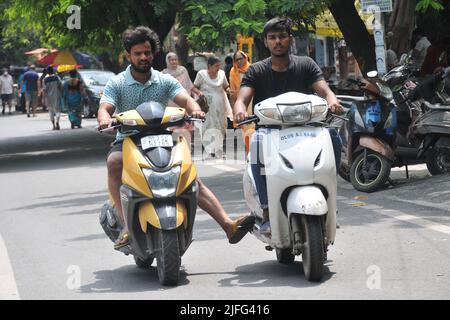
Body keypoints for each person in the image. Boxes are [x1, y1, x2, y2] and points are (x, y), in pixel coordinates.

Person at [97, 26, 254, 249]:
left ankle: (228, 225)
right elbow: (105, 107)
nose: (143, 57)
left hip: (162, 137)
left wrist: (195, 109)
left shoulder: (163, 80)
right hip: (128, 139)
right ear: (129, 55)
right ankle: (125, 227)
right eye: (138, 53)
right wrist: (104, 117)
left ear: (153, 53)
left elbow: (185, 99)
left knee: (188, 177)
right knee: (114, 162)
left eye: (147, 52)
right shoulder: (118, 83)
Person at [234, 17, 344, 235]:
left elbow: (324, 90)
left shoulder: (306, 64)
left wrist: (332, 100)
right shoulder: (256, 70)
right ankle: (266, 210)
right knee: (256, 144)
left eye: (282, 37)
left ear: (290, 39)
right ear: (266, 42)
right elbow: (242, 98)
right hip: (270, 131)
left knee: (333, 136)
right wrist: (238, 109)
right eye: (273, 38)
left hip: (308, 128)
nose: (278, 42)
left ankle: (331, 201)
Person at [192, 56, 233, 158]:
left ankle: (218, 148)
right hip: (207, 107)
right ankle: (210, 149)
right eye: (216, 66)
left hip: (220, 106)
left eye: (219, 65)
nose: (218, 68)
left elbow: (225, 86)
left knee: (221, 126)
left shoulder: (222, 74)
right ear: (209, 66)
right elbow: (194, 87)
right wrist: (199, 93)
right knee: (208, 126)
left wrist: (229, 91)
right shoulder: (201, 74)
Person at [229, 50, 254, 154]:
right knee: (245, 128)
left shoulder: (252, 69)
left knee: (253, 128)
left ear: (245, 58)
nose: (239, 61)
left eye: (241, 58)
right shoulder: (233, 72)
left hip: (252, 100)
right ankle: (249, 153)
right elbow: (233, 91)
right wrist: (234, 108)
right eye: (237, 59)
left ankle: (255, 152)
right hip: (241, 104)